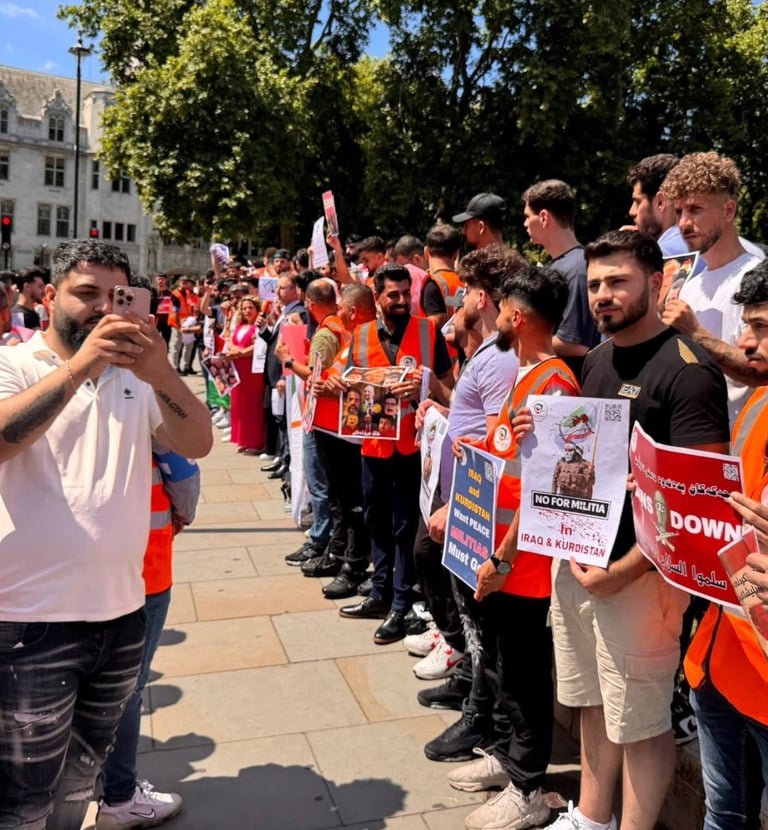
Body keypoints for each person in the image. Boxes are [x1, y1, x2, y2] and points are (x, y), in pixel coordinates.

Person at [0, 239, 212, 828]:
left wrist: (159, 370)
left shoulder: (137, 377)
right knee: (22, 800)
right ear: (50, 297)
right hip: (30, 621)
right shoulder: (14, 363)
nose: (101, 308)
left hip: (120, 614)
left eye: (116, 296)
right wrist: (82, 367)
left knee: (77, 784)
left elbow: (197, 441)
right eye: (85, 293)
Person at [530, 230, 730, 830]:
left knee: (641, 723)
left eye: (618, 281)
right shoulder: (594, 360)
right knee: (593, 704)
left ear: (657, 281)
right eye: (595, 284)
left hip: (640, 580)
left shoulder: (689, 373)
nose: (602, 295)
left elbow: (699, 502)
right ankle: (592, 819)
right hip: (579, 564)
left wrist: (621, 572)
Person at [426, 266, 579, 830]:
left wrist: (504, 557)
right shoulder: (529, 374)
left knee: (524, 673)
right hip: (499, 553)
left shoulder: (554, 385)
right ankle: (508, 757)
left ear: (516, 316)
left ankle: (529, 786)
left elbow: (548, 488)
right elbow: (508, 457)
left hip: (524, 564)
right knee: (501, 667)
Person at [410, 244, 523, 685]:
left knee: (467, 596)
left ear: (481, 296)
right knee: (434, 564)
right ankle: (462, 657)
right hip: (458, 488)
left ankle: (468, 671)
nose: (459, 301)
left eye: (466, 290)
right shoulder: (488, 350)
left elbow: (499, 442)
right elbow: (475, 417)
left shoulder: (499, 357)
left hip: (473, 497)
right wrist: (443, 410)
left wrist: (458, 503)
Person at [683, 259, 768, 830]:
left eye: (761, 327)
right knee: (723, 816)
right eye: (747, 325)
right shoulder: (758, 404)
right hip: (721, 661)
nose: (745, 342)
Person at [338, 263, 454, 644]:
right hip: (373, 446)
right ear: (377, 296)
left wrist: (424, 388)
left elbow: (447, 385)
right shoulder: (360, 335)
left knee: (405, 525)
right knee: (375, 519)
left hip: (414, 447)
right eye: (394, 295)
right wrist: (343, 384)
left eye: (407, 293)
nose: (403, 300)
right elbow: (348, 380)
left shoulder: (428, 332)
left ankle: (401, 604)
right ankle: (380, 592)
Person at [96, 442, 200, 829]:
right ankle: (120, 796)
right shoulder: (141, 404)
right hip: (143, 564)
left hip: (69, 570)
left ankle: (84, 780)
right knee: (126, 688)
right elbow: (183, 471)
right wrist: (183, 513)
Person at [661, 150, 766, 424]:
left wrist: (695, 333)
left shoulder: (757, 279)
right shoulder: (689, 285)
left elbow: (763, 373)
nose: (683, 223)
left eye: (695, 209)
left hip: (746, 438)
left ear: (728, 210)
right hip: (698, 436)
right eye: (678, 212)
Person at [521, 179, 600, 376]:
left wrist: (519, 336)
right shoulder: (565, 265)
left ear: (544, 217)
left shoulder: (576, 269)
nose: (525, 223)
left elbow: (574, 342)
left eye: (528, 216)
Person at [223, 296, 265, 454]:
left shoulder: (259, 327)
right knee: (239, 405)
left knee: (252, 405)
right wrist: (233, 350)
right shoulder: (240, 326)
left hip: (252, 370)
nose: (247, 311)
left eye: (250, 308)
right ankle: (242, 439)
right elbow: (230, 340)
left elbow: (258, 346)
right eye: (244, 308)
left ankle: (255, 442)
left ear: (257, 310)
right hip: (237, 369)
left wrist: (239, 353)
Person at [626, 154, 689, 256]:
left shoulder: (658, 256)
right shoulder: (704, 247)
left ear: (660, 202)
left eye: (638, 201)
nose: (632, 212)